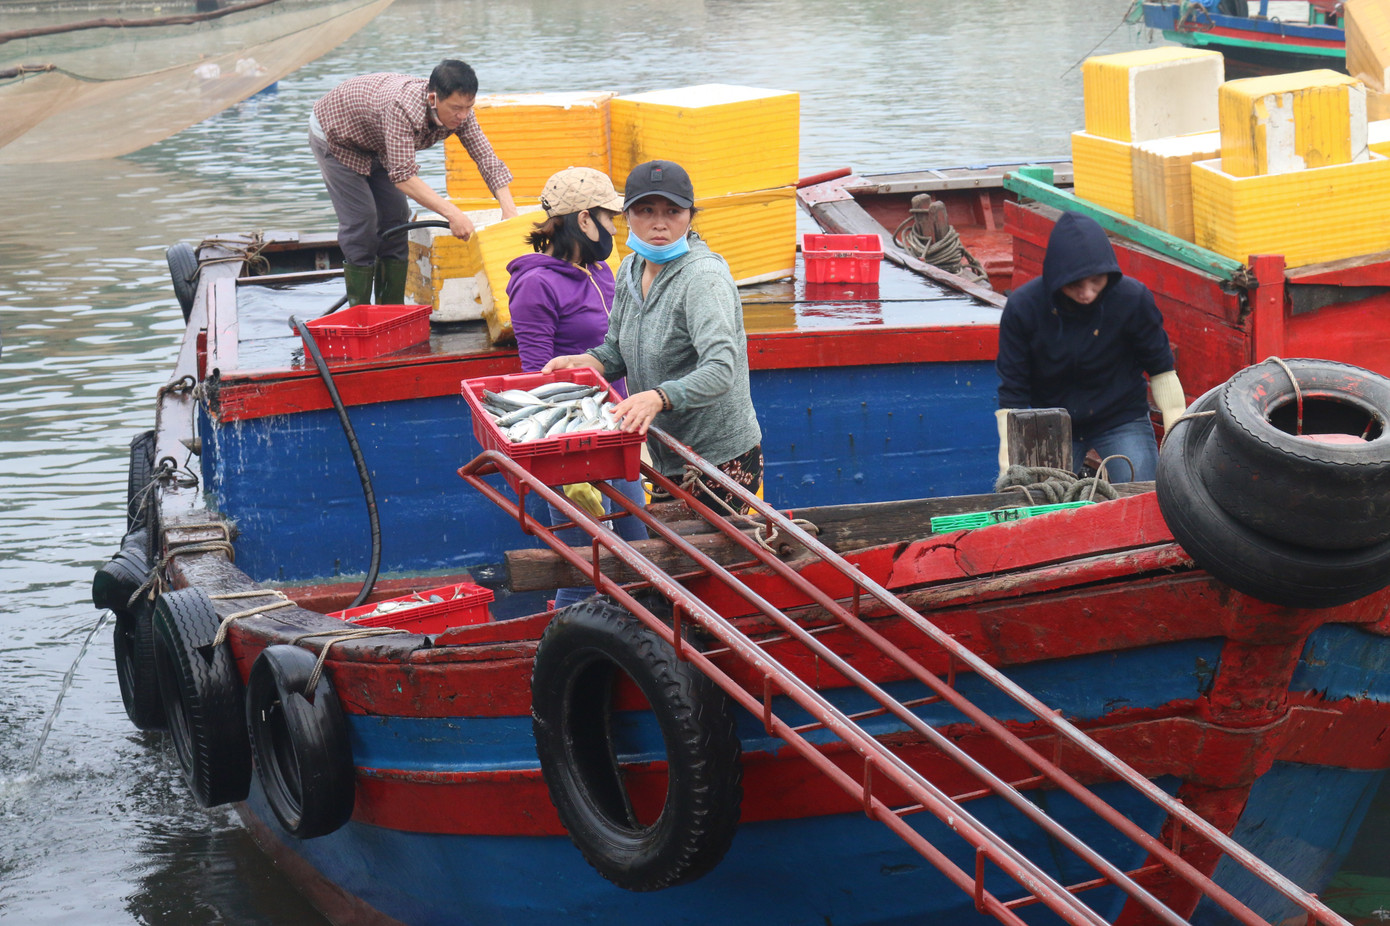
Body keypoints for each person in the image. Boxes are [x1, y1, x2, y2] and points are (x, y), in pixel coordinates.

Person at [543, 159, 763, 513]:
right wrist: (587, 362)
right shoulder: (629, 268)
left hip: (717, 458)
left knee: (709, 562)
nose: (659, 223)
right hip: (665, 453)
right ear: (626, 215)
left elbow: (723, 368)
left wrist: (659, 397)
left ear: (690, 216)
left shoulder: (702, 278)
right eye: (646, 210)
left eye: (673, 211)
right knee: (673, 556)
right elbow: (616, 349)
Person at [505, 166, 647, 610]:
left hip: (619, 432)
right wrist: (569, 469)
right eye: (609, 219)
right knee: (587, 567)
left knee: (637, 553)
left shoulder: (604, 270)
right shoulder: (535, 285)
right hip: (572, 442)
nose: (614, 229)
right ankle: (562, 653)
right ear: (584, 220)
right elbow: (536, 379)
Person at [995, 211, 1186, 483]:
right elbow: (1012, 391)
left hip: (1120, 416)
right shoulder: (1023, 308)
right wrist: (1009, 464)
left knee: (1144, 495)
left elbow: (1161, 370)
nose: (1087, 293)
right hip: (1052, 423)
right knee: (1040, 506)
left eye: (1096, 281)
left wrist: (1176, 440)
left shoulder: (1133, 299)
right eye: (1074, 284)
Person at [310, 59, 518, 308]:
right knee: (362, 222)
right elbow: (404, 176)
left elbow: (486, 158)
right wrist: (453, 213)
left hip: (378, 143)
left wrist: (509, 210)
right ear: (433, 99)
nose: (462, 115)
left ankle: (391, 311)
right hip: (337, 136)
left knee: (398, 220)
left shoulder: (463, 115)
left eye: (468, 107)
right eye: (455, 108)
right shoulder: (402, 108)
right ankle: (361, 314)